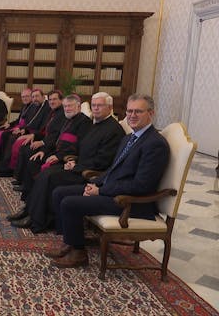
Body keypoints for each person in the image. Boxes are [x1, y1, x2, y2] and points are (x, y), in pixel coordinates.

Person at [47, 94, 170, 268]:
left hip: (131, 202)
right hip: (114, 190)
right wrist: (96, 183)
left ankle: (78, 254)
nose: (132, 115)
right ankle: (71, 241)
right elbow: (113, 169)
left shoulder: (155, 144)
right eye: (129, 111)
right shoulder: (130, 138)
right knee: (59, 192)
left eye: (138, 111)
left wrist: (101, 190)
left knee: (69, 203)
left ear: (151, 113)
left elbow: (142, 185)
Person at [8, 92, 125, 233]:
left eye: (100, 105)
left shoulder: (113, 130)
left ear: (110, 107)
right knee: (44, 174)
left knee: (48, 176)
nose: (96, 108)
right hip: (78, 165)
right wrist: (74, 160)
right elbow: (82, 149)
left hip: (89, 174)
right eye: (94, 105)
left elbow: (103, 161)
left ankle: (38, 220)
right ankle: (30, 212)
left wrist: (76, 165)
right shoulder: (97, 124)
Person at [12, 94, 91, 197]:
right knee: (33, 159)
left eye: (70, 106)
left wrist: (58, 157)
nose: (67, 109)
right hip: (55, 151)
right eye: (65, 106)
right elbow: (57, 138)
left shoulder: (85, 122)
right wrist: (43, 151)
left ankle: (33, 195)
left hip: (66, 158)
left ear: (79, 107)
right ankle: (28, 193)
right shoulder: (68, 119)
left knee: (40, 167)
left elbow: (78, 147)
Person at [0, 89, 54, 175]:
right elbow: (29, 122)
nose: (35, 99)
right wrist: (24, 129)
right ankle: (4, 163)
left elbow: (43, 127)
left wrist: (28, 132)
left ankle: (9, 167)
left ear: (43, 97)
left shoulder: (47, 107)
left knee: (13, 139)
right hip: (29, 131)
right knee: (6, 135)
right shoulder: (34, 106)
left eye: (37, 96)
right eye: (33, 96)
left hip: (37, 134)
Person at [0, 88, 34, 160]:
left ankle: (3, 159)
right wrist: (9, 124)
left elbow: (32, 123)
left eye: (27, 96)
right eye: (23, 97)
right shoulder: (24, 106)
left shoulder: (34, 107)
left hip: (24, 130)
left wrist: (21, 128)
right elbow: (18, 120)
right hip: (18, 126)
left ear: (32, 97)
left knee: (5, 135)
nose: (25, 98)